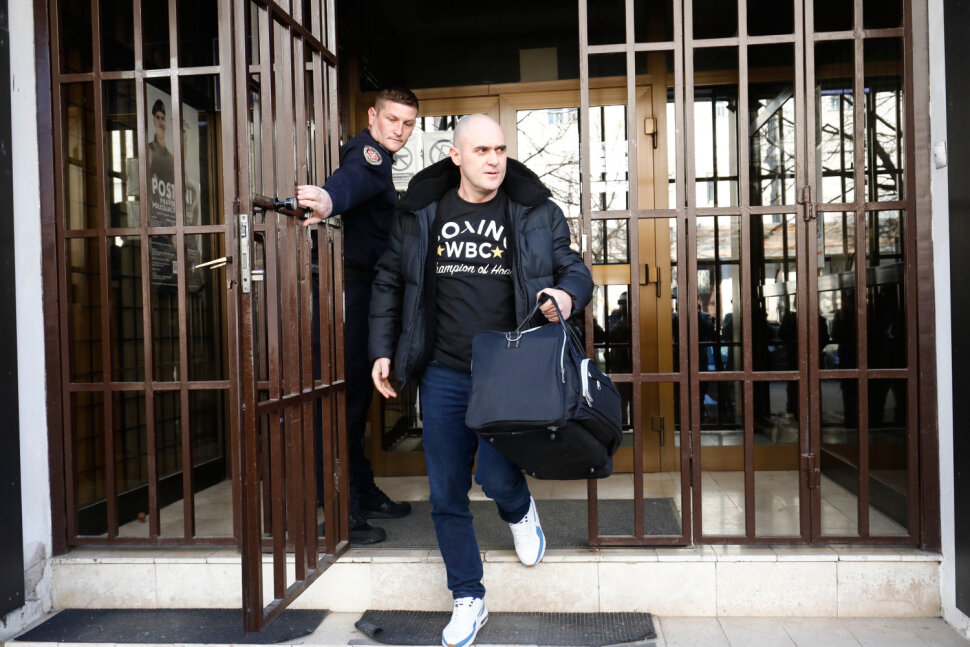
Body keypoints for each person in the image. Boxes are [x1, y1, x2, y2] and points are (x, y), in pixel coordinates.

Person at [369, 114, 592, 647]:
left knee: (494, 476)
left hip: (508, 370)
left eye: (500, 150)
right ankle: (468, 596)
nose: (494, 160)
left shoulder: (536, 211)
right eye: (482, 151)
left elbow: (574, 268)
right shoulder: (421, 213)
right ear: (456, 156)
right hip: (444, 370)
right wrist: (381, 350)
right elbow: (389, 282)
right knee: (447, 491)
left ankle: (519, 510)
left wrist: (567, 296)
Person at [295, 87, 419, 544]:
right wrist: (329, 199)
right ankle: (338, 511)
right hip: (349, 291)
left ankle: (360, 491)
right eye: (392, 120)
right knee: (342, 403)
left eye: (408, 123)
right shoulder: (369, 155)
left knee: (357, 399)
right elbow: (352, 180)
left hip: (364, 291)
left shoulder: (381, 159)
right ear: (372, 116)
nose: (399, 130)